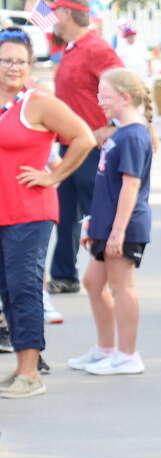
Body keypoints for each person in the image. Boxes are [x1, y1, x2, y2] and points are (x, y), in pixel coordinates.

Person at [0, 31, 97, 398]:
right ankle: (20, 368)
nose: (14, 67)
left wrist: (53, 175)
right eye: (7, 60)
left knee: (25, 288)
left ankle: (31, 373)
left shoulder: (38, 103)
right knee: (7, 289)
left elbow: (84, 137)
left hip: (30, 211)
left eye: (21, 61)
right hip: (1, 209)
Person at [69, 68, 158, 376]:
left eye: (105, 96)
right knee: (94, 283)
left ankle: (127, 355)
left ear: (125, 97)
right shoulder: (120, 133)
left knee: (122, 286)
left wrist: (117, 232)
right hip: (107, 225)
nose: (100, 102)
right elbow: (108, 186)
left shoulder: (133, 136)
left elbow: (130, 187)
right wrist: (94, 223)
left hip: (126, 225)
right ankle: (106, 349)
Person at [47, 0, 122, 294]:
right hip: (68, 147)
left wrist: (113, 125)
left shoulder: (96, 49)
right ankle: (65, 274)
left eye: (56, 13)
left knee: (98, 213)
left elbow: (125, 86)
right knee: (64, 215)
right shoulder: (72, 48)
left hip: (91, 148)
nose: (52, 18)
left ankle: (110, 273)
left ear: (67, 15)